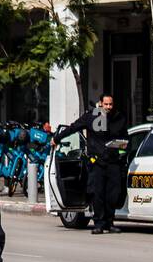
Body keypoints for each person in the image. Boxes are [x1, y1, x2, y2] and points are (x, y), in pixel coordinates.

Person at [54, 94, 129, 234]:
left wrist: (123, 146)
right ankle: (99, 224)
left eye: (110, 104)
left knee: (113, 194)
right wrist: (57, 138)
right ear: (100, 103)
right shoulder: (91, 117)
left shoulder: (119, 117)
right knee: (98, 194)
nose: (108, 107)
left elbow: (125, 137)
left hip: (114, 162)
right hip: (97, 162)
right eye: (106, 104)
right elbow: (73, 127)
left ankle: (109, 222)